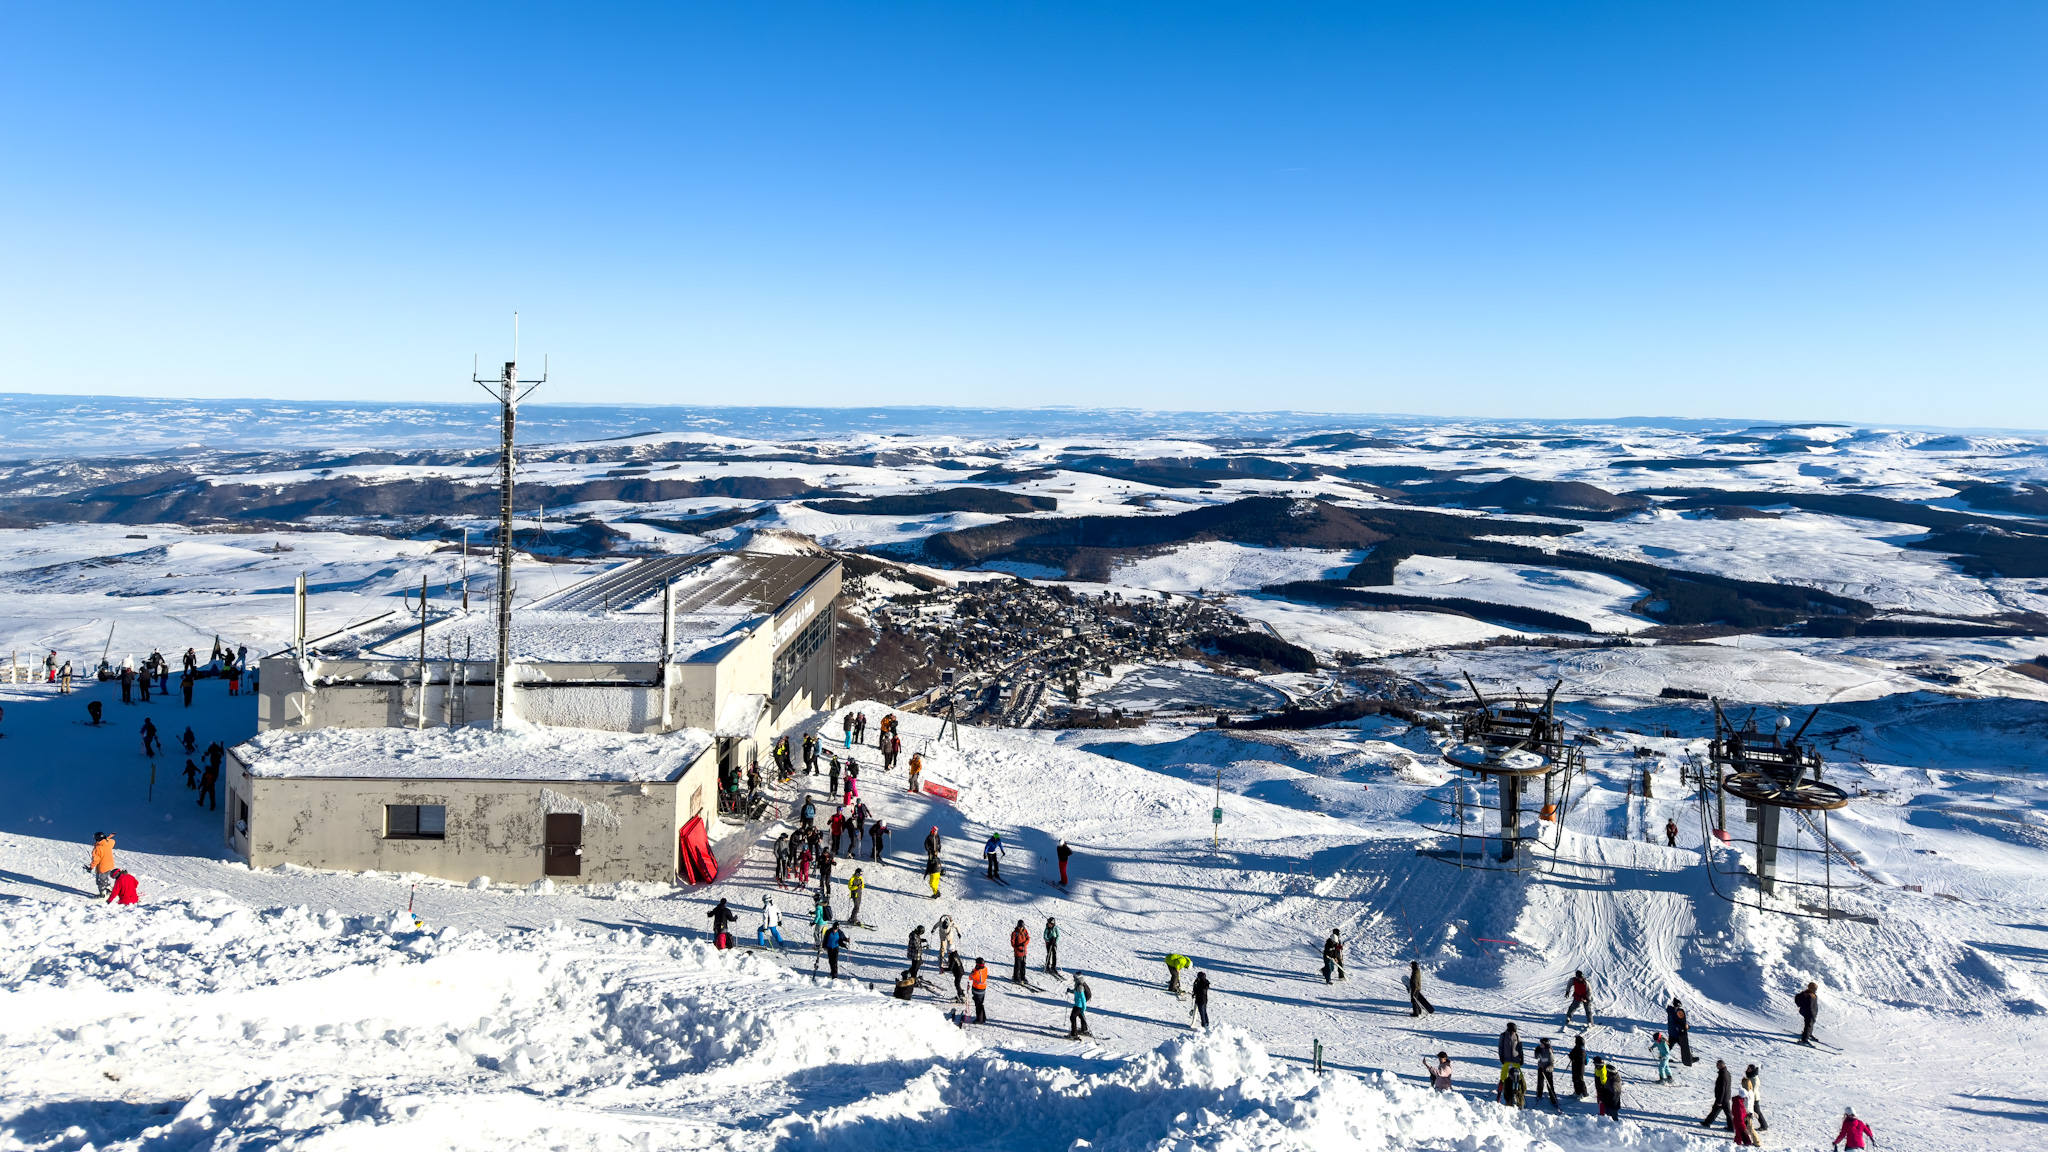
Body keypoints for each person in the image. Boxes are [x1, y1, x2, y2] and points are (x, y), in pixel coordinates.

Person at [1702, 1059, 1733, 1129]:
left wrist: (1719, 1101)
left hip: (1722, 1098)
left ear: (1721, 1065)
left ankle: (1707, 1123)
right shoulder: (1727, 1073)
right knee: (1719, 1111)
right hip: (1726, 1097)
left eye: (1717, 1065)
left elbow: (1722, 1089)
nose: (1716, 1066)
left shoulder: (1722, 1075)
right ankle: (1707, 1122)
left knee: (1719, 1111)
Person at [88, 832, 118, 898]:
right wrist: (107, 838)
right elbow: (112, 841)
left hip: (102, 867)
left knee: (100, 881)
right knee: (105, 878)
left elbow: (96, 860)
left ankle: (103, 895)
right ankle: (109, 890)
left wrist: (91, 867)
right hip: (109, 865)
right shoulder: (108, 843)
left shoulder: (98, 848)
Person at [1668, 997, 1697, 1065]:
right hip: (1677, 1033)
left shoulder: (1671, 1011)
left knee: (1669, 1046)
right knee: (1684, 1046)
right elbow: (1677, 1023)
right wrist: (1685, 1027)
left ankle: (1662, 1056)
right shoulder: (1676, 1012)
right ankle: (1689, 1058)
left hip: (1672, 1032)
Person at [1742, 1064, 1769, 1135]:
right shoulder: (1751, 1076)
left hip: (1753, 1098)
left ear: (1752, 1069)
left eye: (1748, 1068)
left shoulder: (1754, 1079)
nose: (1747, 1069)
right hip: (1752, 1097)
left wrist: (1749, 1097)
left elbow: (1752, 1089)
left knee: (1754, 1111)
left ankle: (1764, 1126)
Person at [1534, 1037, 1559, 1110]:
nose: (1541, 1045)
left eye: (1542, 1044)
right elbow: (1536, 1057)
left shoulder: (1549, 1051)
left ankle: (1554, 1100)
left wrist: (1547, 1069)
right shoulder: (1540, 1049)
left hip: (1547, 1070)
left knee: (1550, 1085)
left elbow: (1552, 1063)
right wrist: (1536, 1051)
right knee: (1540, 1083)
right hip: (1540, 1069)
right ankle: (1539, 1095)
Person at [1069, 973, 1093, 1038]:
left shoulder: (1080, 987)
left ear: (1077, 979)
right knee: (1081, 1017)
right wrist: (1070, 991)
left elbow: (1083, 998)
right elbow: (1075, 991)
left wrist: (1083, 1008)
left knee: (1072, 1017)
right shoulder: (1078, 985)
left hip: (1078, 1006)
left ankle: (1074, 1034)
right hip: (1078, 1006)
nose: (1073, 979)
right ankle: (1084, 1030)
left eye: (1074, 978)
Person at [970, 958, 989, 1022]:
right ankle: (983, 1017)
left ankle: (979, 1019)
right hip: (983, 988)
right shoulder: (985, 968)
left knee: (978, 1005)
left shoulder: (977, 972)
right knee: (980, 1003)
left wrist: (974, 970)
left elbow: (970, 977)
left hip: (978, 989)